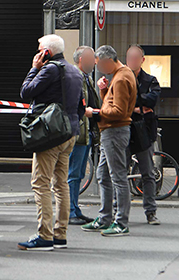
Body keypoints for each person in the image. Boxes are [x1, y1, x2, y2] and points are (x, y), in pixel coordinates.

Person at [17, 34, 84, 251]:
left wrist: (34, 68)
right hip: (70, 133)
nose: (37, 53)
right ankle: (60, 234)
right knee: (61, 183)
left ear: (46, 51)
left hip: (50, 133)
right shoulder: (74, 70)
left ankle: (44, 235)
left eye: (39, 49)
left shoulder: (50, 69)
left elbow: (26, 92)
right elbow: (82, 105)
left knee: (41, 182)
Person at [81, 45, 137, 237]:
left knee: (117, 177)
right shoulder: (122, 75)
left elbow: (119, 112)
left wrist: (94, 112)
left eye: (98, 64)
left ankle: (121, 222)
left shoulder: (121, 78)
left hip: (114, 131)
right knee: (103, 175)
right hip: (112, 131)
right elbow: (113, 105)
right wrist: (104, 92)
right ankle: (105, 218)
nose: (98, 68)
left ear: (107, 61)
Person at [126, 44, 161, 225]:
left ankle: (150, 211)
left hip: (144, 132)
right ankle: (119, 210)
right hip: (124, 129)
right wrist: (139, 107)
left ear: (142, 60)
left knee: (147, 172)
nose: (131, 61)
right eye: (129, 57)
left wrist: (132, 104)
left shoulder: (150, 80)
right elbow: (117, 100)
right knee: (119, 173)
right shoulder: (120, 77)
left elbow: (152, 100)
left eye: (135, 57)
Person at [68, 46, 101, 226]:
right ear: (81, 59)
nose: (94, 62)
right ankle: (70, 210)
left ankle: (75, 208)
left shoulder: (86, 78)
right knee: (73, 173)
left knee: (79, 173)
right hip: (79, 131)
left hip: (85, 131)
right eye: (91, 58)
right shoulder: (76, 77)